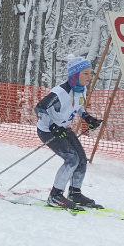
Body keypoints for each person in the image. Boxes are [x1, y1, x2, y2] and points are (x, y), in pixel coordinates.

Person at [34, 56, 103, 210]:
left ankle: (74, 193)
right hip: (47, 130)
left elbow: (77, 107)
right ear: (75, 75)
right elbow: (40, 108)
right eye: (85, 73)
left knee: (82, 160)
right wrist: (53, 127)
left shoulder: (81, 90)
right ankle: (55, 196)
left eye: (90, 73)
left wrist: (88, 118)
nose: (89, 77)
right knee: (72, 159)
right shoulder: (60, 92)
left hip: (63, 128)